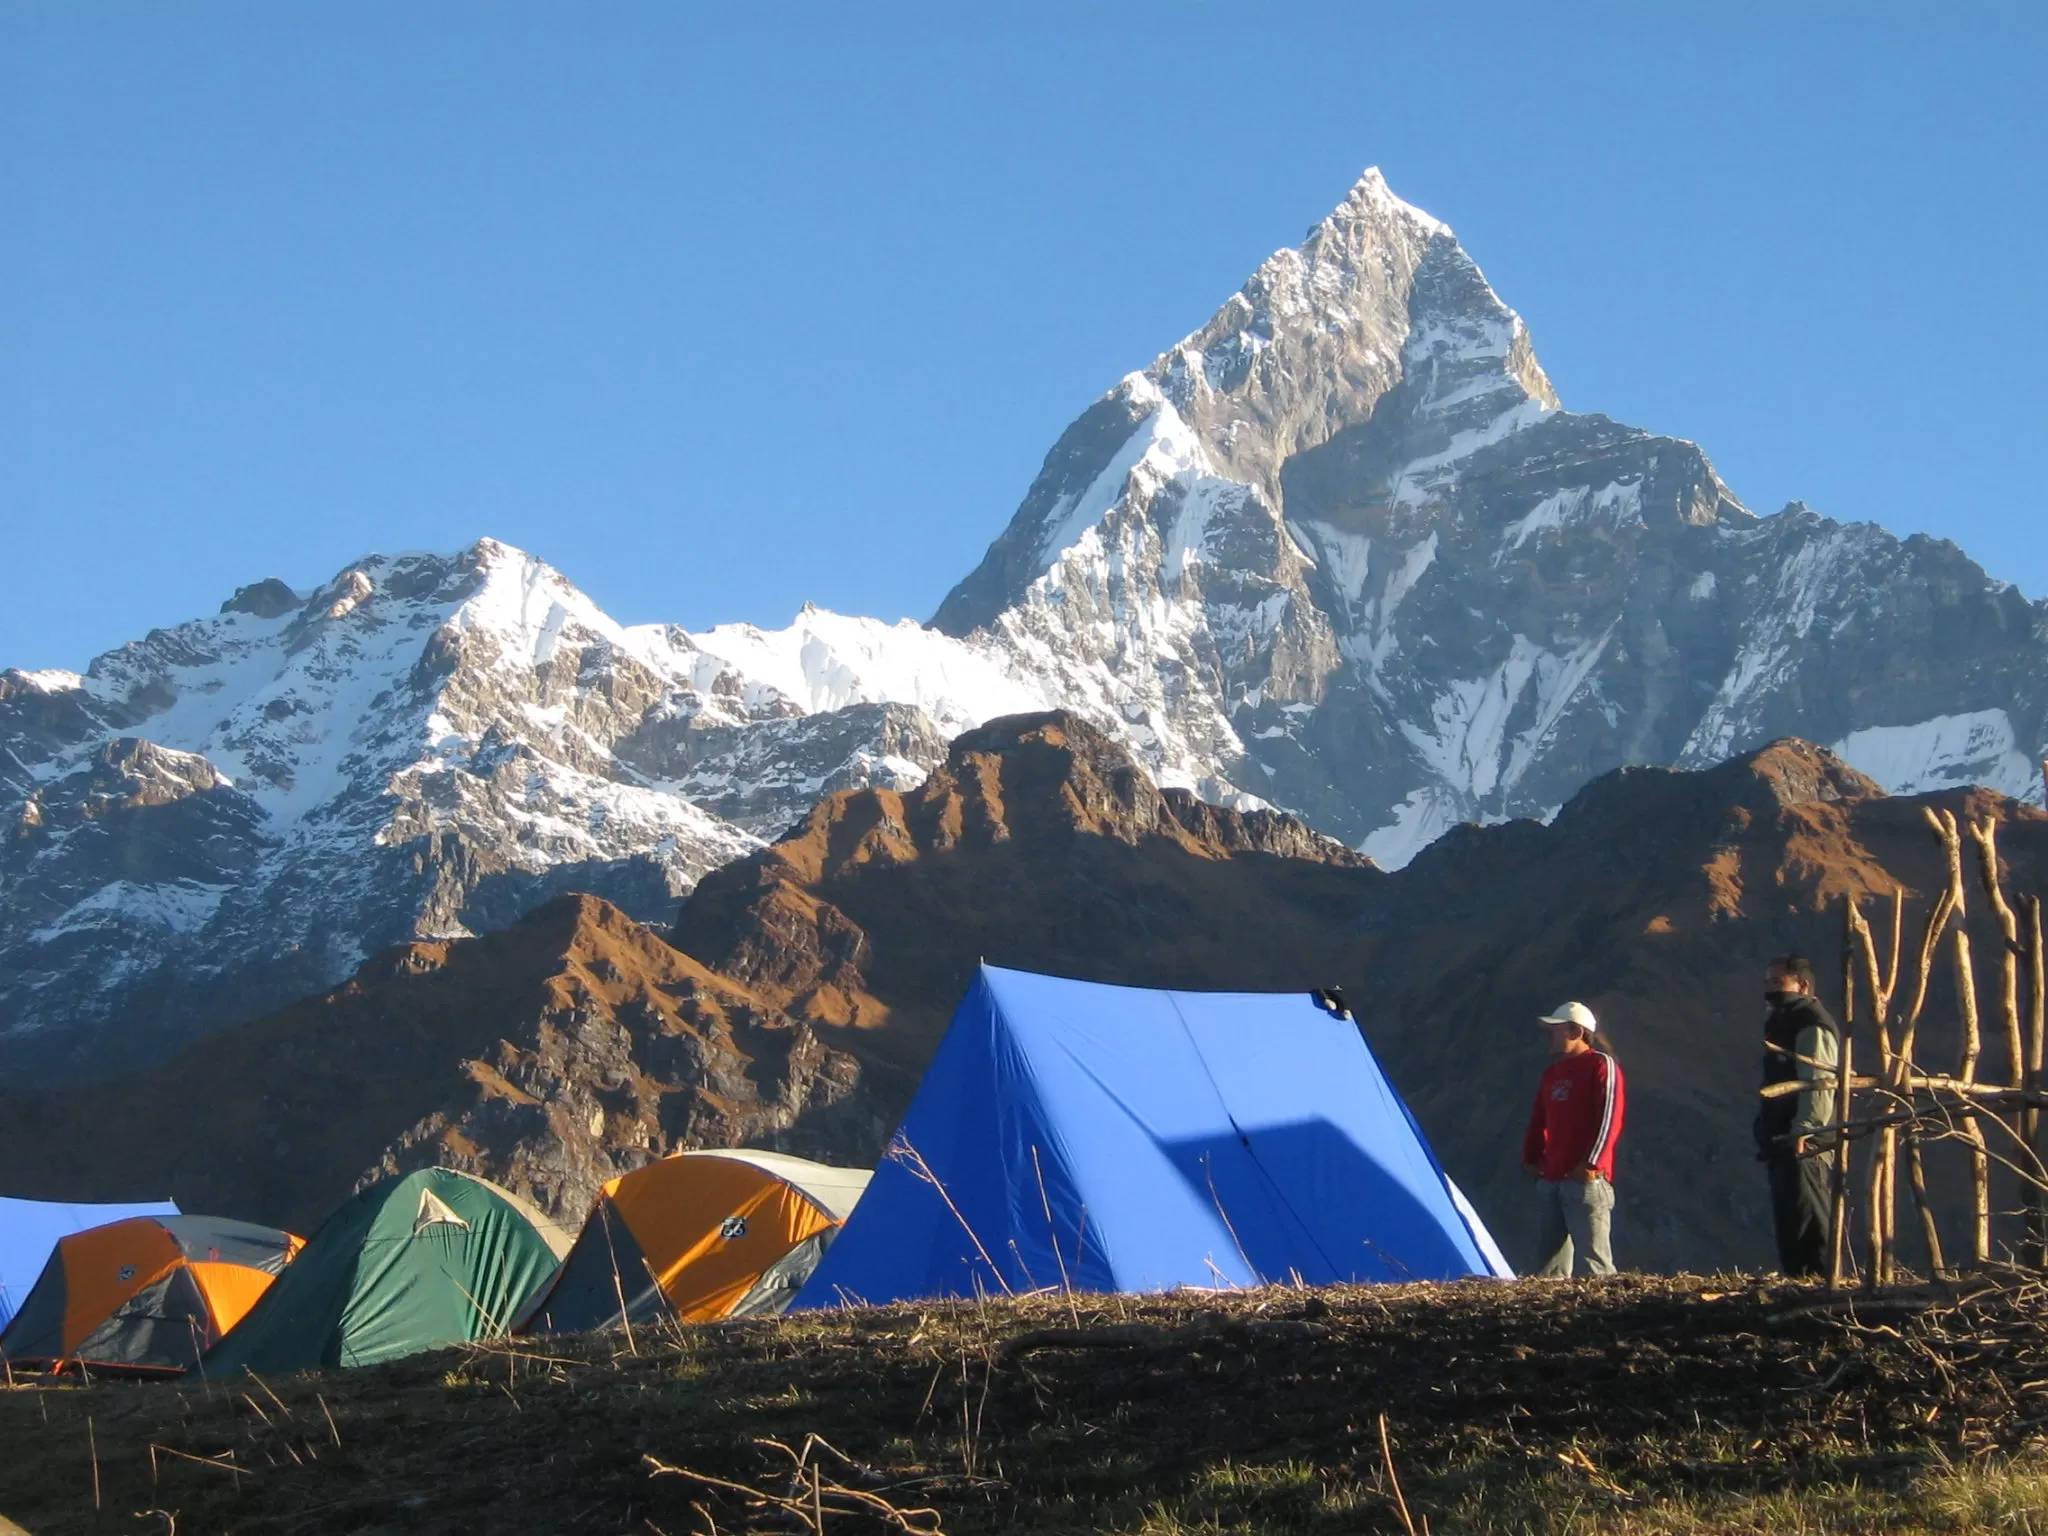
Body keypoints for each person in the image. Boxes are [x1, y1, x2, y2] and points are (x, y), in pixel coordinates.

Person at [1521, 1000, 1625, 1277]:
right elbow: (1538, 1120)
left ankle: (1608, 1313)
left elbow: (1609, 1118)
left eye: (1555, 1030)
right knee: (1547, 1267)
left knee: (1594, 1261)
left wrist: (1592, 1163)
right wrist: (1531, 1158)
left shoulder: (1601, 1065)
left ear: (1576, 1032)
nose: (1549, 1036)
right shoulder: (1552, 1074)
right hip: (1552, 1178)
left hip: (1584, 1182)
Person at [1753, 954, 1840, 1278]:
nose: (1771, 989)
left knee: (1810, 1215)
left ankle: (1819, 1281)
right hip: (1783, 1137)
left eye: (1778, 982)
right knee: (1790, 1216)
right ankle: (1797, 1278)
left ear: (1802, 985)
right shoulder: (1784, 1020)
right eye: (1768, 982)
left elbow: (1819, 1079)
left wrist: (1805, 1129)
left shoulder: (1810, 1022)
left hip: (1805, 1141)